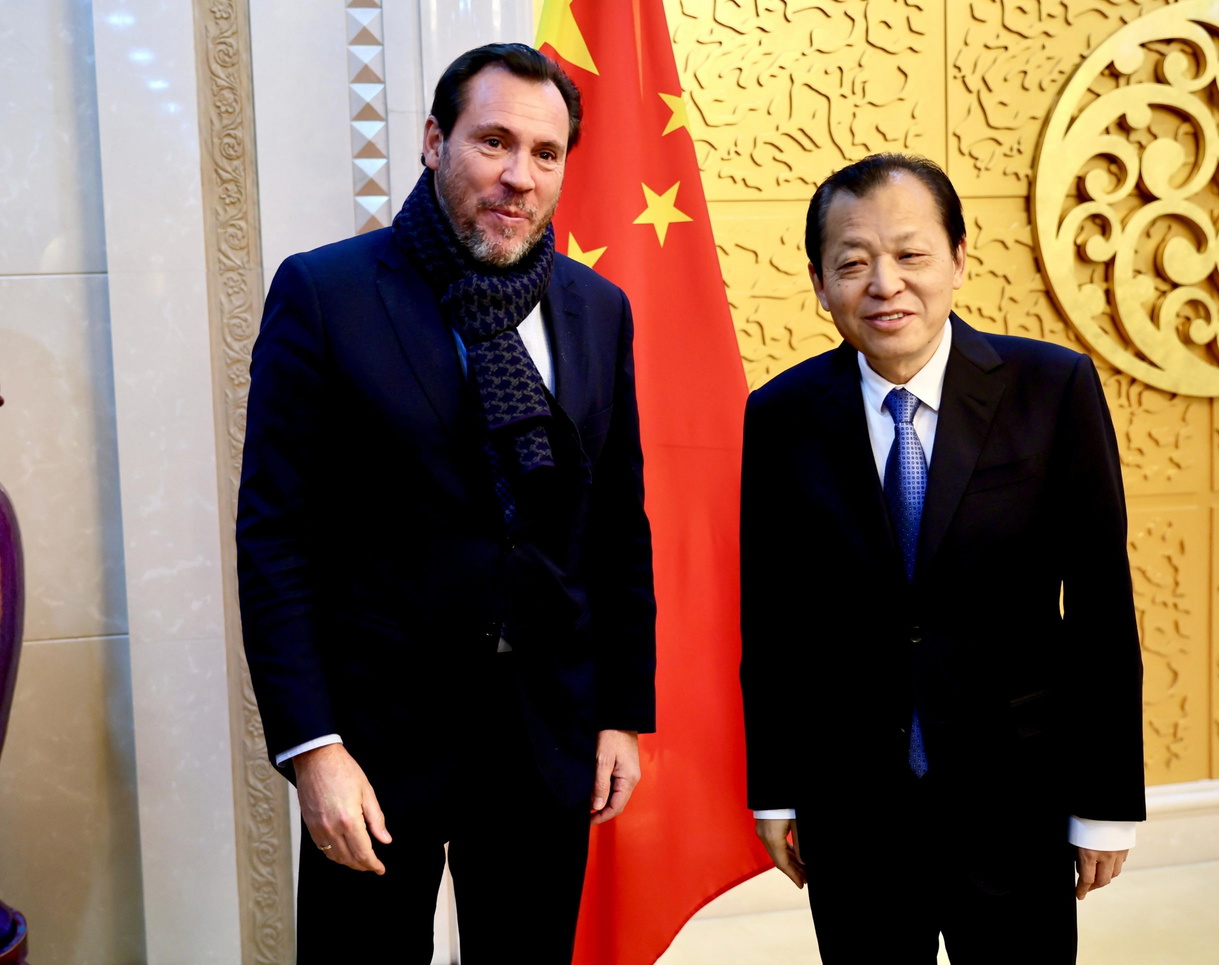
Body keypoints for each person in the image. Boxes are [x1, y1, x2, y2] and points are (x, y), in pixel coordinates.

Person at [236, 43, 656, 963]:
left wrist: (621, 712)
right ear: (434, 141)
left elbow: (616, 526)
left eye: (545, 153)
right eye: (493, 141)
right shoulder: (325, 293)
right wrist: (313, 747)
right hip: (376, 745)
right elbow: (276, 540)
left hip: (545, 739)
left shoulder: (598, 308)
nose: (519, 176)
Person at [739, 154, 1145, 964]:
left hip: (1015, 798)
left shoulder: (1052, 388)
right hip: (852, 807)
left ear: (959, 258)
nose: (885, 284)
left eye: (910, 254)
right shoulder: (780, 415)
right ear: (819, 284)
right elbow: (772, 620)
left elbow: (1101, 606)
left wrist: (1105, 803)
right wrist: (776, 792)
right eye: (852, 263)